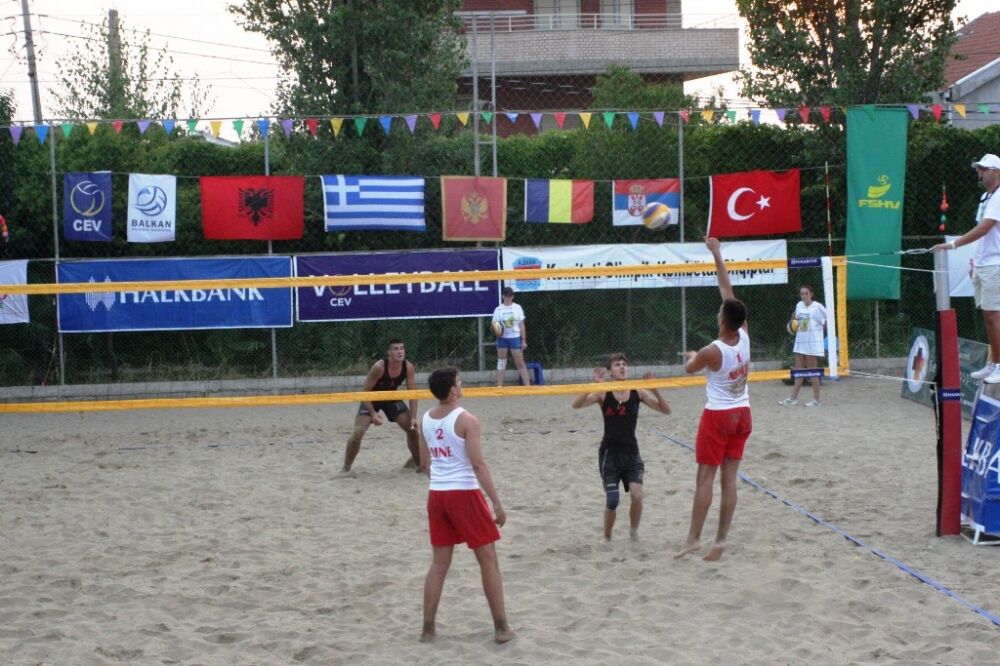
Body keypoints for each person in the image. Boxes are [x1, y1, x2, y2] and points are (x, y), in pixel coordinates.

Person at [418, 367, 515, 644]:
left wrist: (441, 481)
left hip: (437, 494)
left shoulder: (425, 418)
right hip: (464, 493)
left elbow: (424, 463)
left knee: (439, 564)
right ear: (451, 390)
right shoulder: (467, 420)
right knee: (488, 561)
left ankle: (427, 630)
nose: (462, 386)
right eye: (459, 383)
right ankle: (501, 628)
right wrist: (496, 502)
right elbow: (478, 463)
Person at [676, 238, 751, 562]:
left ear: (722, 319)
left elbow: (690, 369)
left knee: (705, 478)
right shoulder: (745, 332)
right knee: (729, 480)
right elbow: (726, 287)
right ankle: (719, 540)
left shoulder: (711, 350)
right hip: (743, 413)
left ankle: (693, 539)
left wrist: (693, 356)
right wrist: (717, 254)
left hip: (719, 415)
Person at [572, 353, 670, 541]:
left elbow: (666, 410)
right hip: (610, 454)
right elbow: (577, 405)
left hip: (631, 453)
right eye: (617, 365)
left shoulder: (637, 392)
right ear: (610, 371)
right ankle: (607, 538)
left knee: (637, 495)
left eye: (624, 364)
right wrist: (592, 386)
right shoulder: (603, 392)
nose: (622, 367)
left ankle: (633, 532)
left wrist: (655, 390)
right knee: (613, 500)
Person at [933, 153, 1000, 383]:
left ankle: (999, 365)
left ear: (996, 172)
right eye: (978, 169)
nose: (979, 173)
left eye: (984, 169)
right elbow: (983, 237)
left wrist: (951, 245)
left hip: (996, 264)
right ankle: (993, 363)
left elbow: (984, 230)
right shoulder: (986, 197)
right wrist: (974, 261)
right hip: (983, 264)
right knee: (988, 315)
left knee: (993, 315)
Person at [339, 339, 419, 476]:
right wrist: (373, 414)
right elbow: (364, 393)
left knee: (412, 429)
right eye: (395, 349)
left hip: (390, 397)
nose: (400, 352)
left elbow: (413, 394)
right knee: (358, 432)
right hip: (372, 399)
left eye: (402, 348)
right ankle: (346, 469)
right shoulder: (379, 367)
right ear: (388, 352)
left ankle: (419, 464)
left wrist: (413, 417)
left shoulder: (408, 367)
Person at [779, 285, 827, 407]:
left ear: (811, 294)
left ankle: (817, 400)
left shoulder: (818, 307)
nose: (804, 296)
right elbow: (794, 317)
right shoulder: (799, 305)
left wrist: (818, 334)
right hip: (800, 342)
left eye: (806, 293)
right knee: (798, 371)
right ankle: (793, 398)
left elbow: (827, 322)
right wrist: (793, 324)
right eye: (802, 294)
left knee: (813, 371)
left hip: (812, 343)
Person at [492, 286, 531, 387]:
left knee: (520, 362)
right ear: (503, 296)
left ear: (513, 296)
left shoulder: (517, 308)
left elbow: (521, 325)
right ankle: (499, 386)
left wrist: (523, 340)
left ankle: (528, 386)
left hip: (515, 337)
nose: (508, 297)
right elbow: (494, 326)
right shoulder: (498, 309)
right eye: (506, 295)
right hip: (502, 338)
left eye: (510, 295)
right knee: (501, 362)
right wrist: (499, 329)